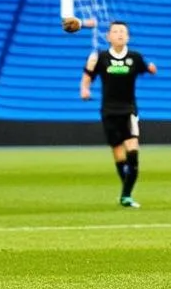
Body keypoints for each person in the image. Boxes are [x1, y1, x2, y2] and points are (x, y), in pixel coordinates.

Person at [66, 16, 157, 208]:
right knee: (119, 155)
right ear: (108, 36)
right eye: (115, 31)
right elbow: (87, 76)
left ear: (128, 37)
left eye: (123, 32)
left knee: (133, 151)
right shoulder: (100, 58)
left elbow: (147, 68)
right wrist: (84, 89)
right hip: (108, 111)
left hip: (129, 110)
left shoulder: (135, 57)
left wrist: (151, 69)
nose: (119, 35)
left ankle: (126, 195)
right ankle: (125, 192)